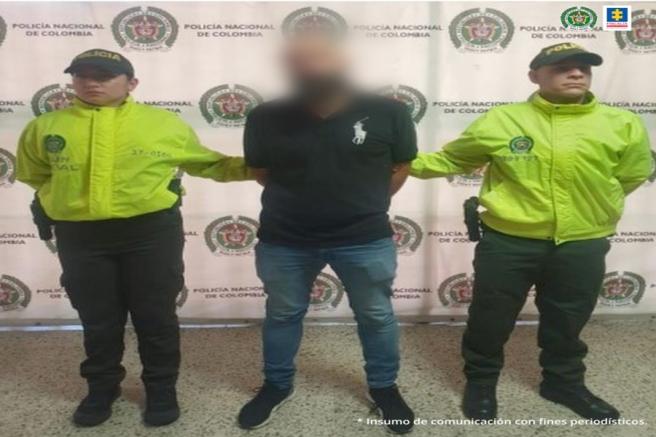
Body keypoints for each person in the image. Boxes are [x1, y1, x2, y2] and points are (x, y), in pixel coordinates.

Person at [410, 42, 652, 421]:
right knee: (490, 317)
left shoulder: (621, 123)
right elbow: (451, 159)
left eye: (584, 68)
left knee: (568, 319)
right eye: (562, 68)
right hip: (508, 243)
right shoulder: (503, 120)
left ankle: (563, 383)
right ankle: (481, 381)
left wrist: (594, 206)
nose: (577, 74)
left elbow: (632, 174)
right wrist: (392, 160)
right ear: (534, 76)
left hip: (582, 243)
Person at [15, 48, 252, 427]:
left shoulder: (162, 124)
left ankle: (161, 388)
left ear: (132, 83)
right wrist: (67, 203)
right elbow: (34, 175)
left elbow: (208, 163)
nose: (91, 83)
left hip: (150, 234)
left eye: (104, 76)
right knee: (98, 319)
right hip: (81, 238)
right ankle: (101, 388)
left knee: (155, 316)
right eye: (82, 75)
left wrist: (263, 168)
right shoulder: (46, 127)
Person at [238, 34, 417, 434]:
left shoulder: (389, 112)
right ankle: (276, 385)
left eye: (321, 57)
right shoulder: (265, 116)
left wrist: (363, 203)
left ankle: (384, 387)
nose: (313, 67)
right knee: (283, 314)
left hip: (365, 237)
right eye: (301, 60)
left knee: (376, 315)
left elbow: (401, 165)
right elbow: (262, 171)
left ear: (344, 61)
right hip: (285, 238)